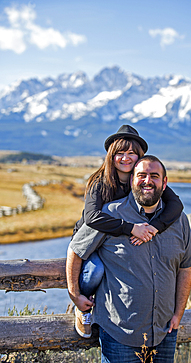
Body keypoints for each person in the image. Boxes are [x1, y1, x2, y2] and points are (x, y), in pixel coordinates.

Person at [66, 155, 191, 363]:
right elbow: (76, 250)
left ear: (164, 183)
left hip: (164, 331)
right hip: (119, 332)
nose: (148, 181)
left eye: (154, 176)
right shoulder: (110, 214)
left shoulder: (179, 220)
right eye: (142, 175)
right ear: (131, 180)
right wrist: (74, 294)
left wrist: (178, 313)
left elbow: (185, 267)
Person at [70, 125, 183, 338]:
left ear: (140, 155)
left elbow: (176, 205)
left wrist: (154, 228)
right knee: (95, 271)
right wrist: (131, 228)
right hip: (91, 238)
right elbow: (92, 218)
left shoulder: (143, 178)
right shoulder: (100, 181)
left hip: (114, 240)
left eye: (131, 152)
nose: (125, 157)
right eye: (120, 152)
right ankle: (83, 307)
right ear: (111, 155)